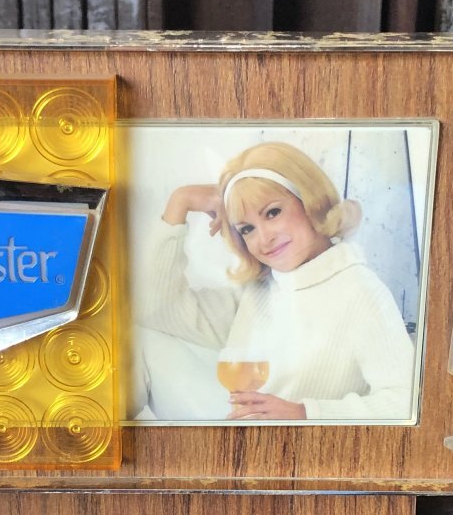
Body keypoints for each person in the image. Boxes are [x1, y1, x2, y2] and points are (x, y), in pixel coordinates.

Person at [141, 142, 415, 421]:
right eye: (247, 228)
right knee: (138, 341)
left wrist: (305, 413)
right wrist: (180, 201)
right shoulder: (259, 292)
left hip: (307, 448)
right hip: (243, 442)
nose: (264, 239)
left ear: (310, 200)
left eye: (272, 213)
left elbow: (406, 401)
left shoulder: (360, 290)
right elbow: (154, 309)